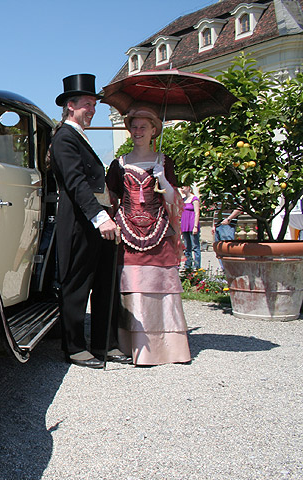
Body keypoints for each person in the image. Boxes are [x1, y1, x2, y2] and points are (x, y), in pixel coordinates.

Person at [48, 73, 128, 368]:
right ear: (70, 106)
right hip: (82, 221)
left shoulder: (80, 137)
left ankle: (106, 343)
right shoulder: (64, 138)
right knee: (77, 283)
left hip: (100, 217)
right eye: (87, 104)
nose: (92, 109)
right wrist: (100, 217)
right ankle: (75, 347)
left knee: (106, 281)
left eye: (94, 104)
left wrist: (110, 205)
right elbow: (76, 183)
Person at [106, 106, 191, 366]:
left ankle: (168, 349)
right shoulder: (118, 164)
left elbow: (176, 199)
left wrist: (162, 179)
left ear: (154, 131)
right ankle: (135, 347)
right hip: (128, 232)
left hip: (159, 232)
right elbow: (110, 200)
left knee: (161, 286)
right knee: (132, 286)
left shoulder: (164, 162)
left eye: (143, 127)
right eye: (134, 126)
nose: (137, 131)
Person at [180, 185, 201, 270]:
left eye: (183, 187)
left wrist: (195, 226)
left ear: (188, 188)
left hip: (192, 224)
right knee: (186, 247)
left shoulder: (194, 199)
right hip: (185, 225)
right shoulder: (183, 200)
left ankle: (197, 266)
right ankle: (188, 265)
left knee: (195, 246)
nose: (182, 189)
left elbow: (197, 213)